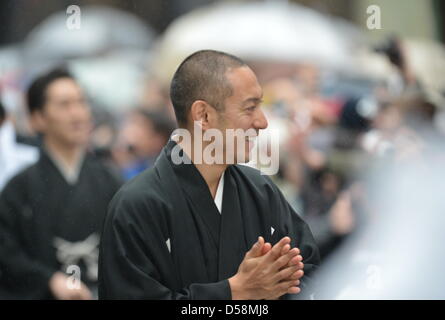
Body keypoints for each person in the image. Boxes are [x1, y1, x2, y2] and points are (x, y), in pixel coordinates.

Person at [99, 50, 320, 300]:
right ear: (203, 115)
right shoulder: (137, 205)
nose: (262, 122)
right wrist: (233, 292)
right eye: (250, 108)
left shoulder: (260, 191)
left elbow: (311, 275)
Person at [0, 68, 122, 299]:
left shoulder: (110, 179)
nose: (77, 114)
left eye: (81, 102)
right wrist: (49, 279)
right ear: (37, 118)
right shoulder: (18, 189)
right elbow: (7, 254)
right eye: (64, 105)